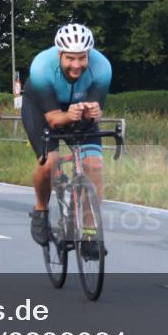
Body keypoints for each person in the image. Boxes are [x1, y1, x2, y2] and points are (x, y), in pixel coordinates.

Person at [23, 24, 112, 260]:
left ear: (89, 55)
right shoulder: (41, 68)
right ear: (59, 54)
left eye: (82, 58)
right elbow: (53, 119)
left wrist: (93, 112)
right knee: (49, 163)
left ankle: (91, 234)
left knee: (94, 165)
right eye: (70, 58)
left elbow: (92, 110)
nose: (76, 65)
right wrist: (67, 115)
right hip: (42, 109)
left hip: (76, 110)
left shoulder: (102, 69)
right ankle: (41, 210)